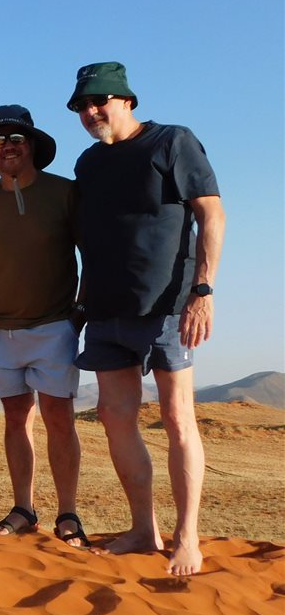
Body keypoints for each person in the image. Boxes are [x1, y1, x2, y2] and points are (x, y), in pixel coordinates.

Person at [68, 61, 225, 577]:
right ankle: (143, 528)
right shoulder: (88, 164)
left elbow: (211, 213)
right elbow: (90, 240)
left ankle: (188, 538)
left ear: (126, 99)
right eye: (83, 106)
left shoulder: (172, 142)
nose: (92, 112)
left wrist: (203, 290)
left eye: (100, 101)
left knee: (178, 417)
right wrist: (82, 301)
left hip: (167, 307)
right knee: (116, 418)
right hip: (107, 310)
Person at [0, 105, 86, 545]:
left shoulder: (65, 193)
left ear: (31, 146)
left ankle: (68, 513)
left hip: (54, 325)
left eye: (16, 140)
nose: (8, 148)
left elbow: (90, 252)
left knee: (58, 417)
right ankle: (23, 508)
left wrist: (79, 312)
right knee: (16, 418)